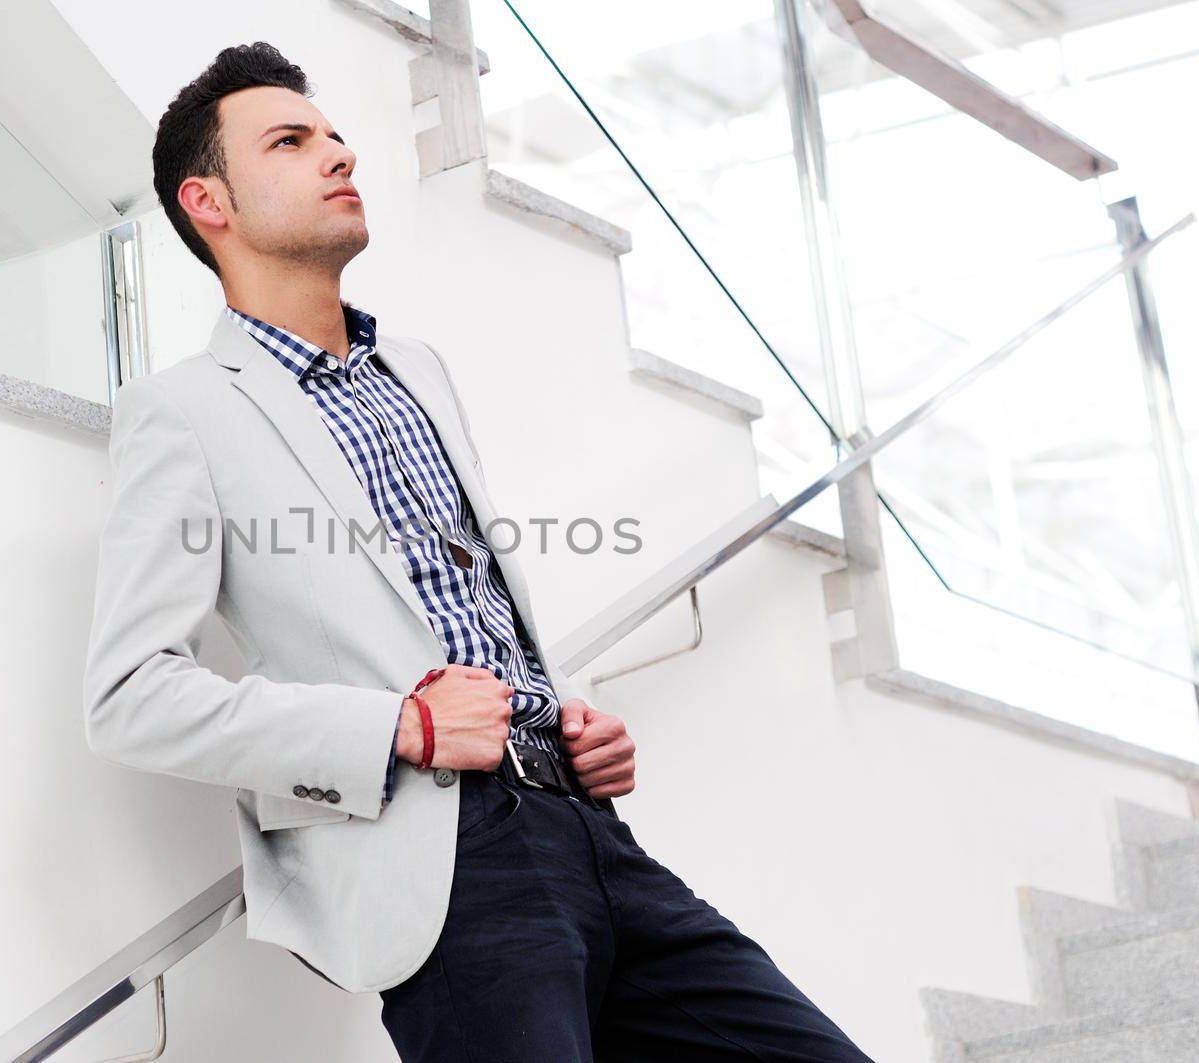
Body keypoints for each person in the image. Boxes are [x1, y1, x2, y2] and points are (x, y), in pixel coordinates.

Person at [82, 40, 876, 1062]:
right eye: (290, 141)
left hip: (589, 830)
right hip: (449, 865)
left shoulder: (416, 371)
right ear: (208, 203)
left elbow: (461, 605)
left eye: (334, 136)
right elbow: (129, 695)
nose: (338, 156)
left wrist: (563, 714)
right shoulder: (182, 412)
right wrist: (397, 726)